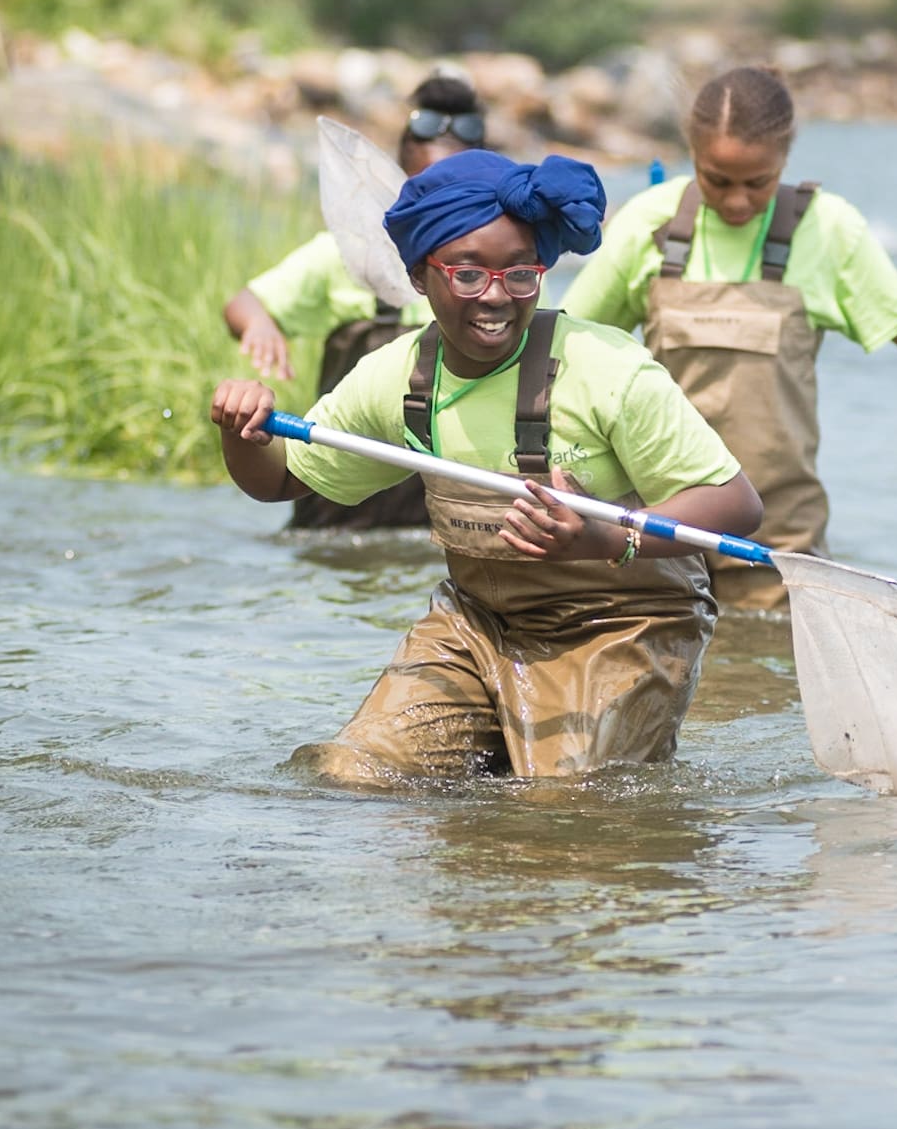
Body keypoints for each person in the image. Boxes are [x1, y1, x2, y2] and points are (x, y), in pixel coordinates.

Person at [210, 149, 764, 787]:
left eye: (520, 274)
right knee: (351, 774)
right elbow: (280, 481)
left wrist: (605, 537)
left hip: (625, 627)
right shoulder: (396, 379)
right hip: (476, 627)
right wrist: (242, 431)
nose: (497, 297)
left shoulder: (607, 367)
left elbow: (736, 502)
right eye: (468, 275)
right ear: (421, 277)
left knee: (561, 808)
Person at [562, 65, 897, 610]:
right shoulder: (650, 221)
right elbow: (563, 347)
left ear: (786, 158)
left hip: (777, 534)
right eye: (717, 180)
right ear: (692, 153)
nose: (739, 201)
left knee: (764, 686)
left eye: (759, 182)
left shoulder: (829, 228)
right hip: (659, 527)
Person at [222, 73, 487, 528]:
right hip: (338, 516)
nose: (440, 213)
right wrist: (261, 325)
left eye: (457, 196)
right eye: (426, 191)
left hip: (441, 521)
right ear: (398, 177)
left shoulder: (494, 279)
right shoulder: (348, 255)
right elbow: (244, 304)